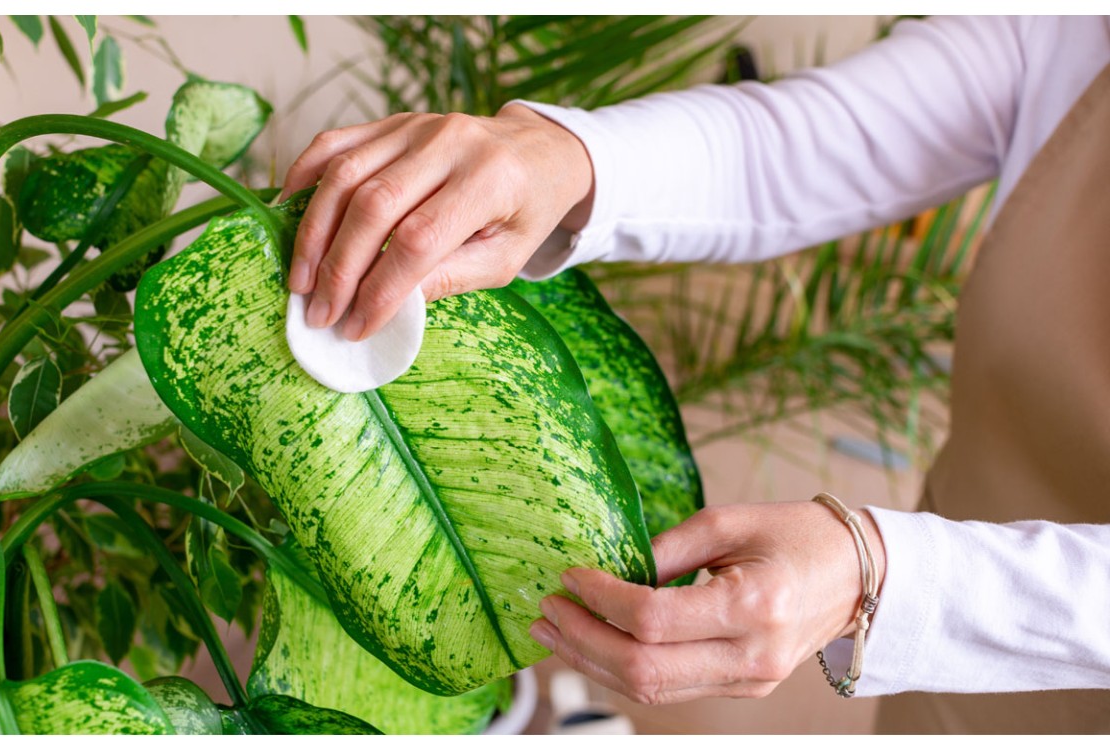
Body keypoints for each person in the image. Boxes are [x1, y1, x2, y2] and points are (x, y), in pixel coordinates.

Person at [280, 16, 1110, 732]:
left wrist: (885, 574)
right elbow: (808, 143)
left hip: (992, 628)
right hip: (953, 697)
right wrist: (563, 158)